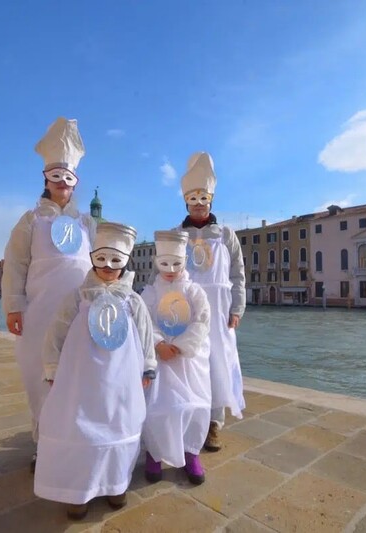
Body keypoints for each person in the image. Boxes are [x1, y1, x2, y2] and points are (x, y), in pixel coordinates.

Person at [35, 222, 157, 520]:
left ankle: (115, 483)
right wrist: (51, 367)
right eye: (101, 259)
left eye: (116, 260)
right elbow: (56, 332)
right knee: (82, 428)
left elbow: (145, 335)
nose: (108, 267)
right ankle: (79, 490)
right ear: (92, 257)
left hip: (122, 380)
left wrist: (148, 367)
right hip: (82, 379)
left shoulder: (133, 300)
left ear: (125, 261)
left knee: (119, 424)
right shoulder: (78, 297)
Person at [1, 117, 95, 472]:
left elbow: (101, 266)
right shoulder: (30, 221)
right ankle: (44, 444)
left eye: (67, 179)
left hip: (78, 316)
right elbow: (15, 265)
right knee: (40, 379)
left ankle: (75, 439)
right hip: (40, 314)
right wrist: (13, 306)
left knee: (77, 378)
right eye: (56, 177)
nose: (62, 184)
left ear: (75, 183)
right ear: (46, 179)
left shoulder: (88, 224)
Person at [175, 152, 245, 452]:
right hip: (185, 310)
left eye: (204, 198)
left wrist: (237, 308)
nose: (199, 204)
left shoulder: (227, 235)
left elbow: (238, 274)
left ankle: (214, 424)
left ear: (211, 199)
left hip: (218, 311)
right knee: (188, 362)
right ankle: (190, 418)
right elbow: (162, 272)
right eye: (193, 199)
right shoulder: (176, 235)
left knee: (217, 363)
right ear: (186, 202)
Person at [140, 230, 211, 485]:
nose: (170, 269)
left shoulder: (195, 291)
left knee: (197, 405)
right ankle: (155, 452)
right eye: (164, 263)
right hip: (161, 358)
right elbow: (144, 319)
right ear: (157, 261)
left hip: (188, 360)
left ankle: (191, 451)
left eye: (176, 263)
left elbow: (202, 319)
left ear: (184, 262)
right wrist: (159, 344)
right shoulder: (149, 292)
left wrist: (180, 346)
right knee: (158, 406)